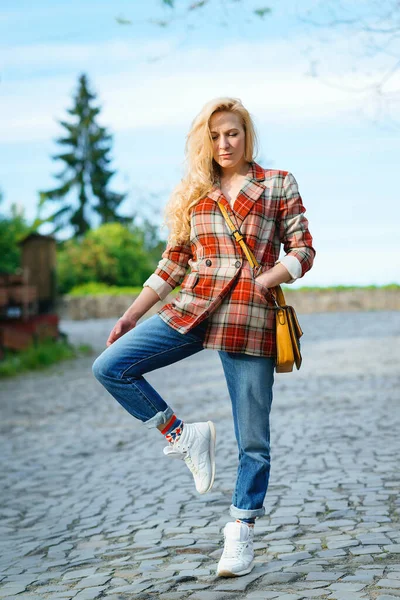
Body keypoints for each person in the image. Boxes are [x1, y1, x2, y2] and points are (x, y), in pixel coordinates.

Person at [92, 96, 316, 577]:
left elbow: (303, 249)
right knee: (109, 366)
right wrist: (132, 314)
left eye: (231, 133)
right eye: (214, 136)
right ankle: (183, 435)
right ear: (204, 141)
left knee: (253, 439)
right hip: (192, 306)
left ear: (246, 134)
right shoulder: (196, 192)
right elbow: (173, 261)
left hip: (248, 315)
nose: (223, 143)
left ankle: (240, 530)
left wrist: (264, 281)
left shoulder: (277, 183)